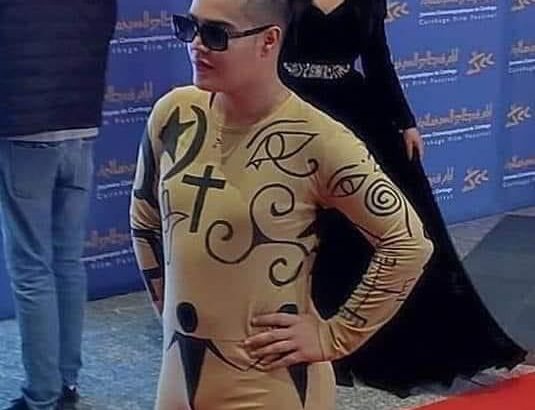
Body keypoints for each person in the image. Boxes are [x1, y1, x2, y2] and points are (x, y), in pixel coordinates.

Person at [130, 0, 434, 408]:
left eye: (216, 34)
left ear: (269, 41)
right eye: (189, 27)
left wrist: (334, 336)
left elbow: (409, 243)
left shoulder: (318, 139)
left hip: (271, 384)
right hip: (178, 376)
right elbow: (145, 217)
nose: (196, 45)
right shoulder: (173, 114)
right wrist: (168, 309)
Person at [279, 0, 527, 396]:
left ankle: (375, 335)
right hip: (291, 108)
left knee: (395, 218)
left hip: (354, 111)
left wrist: (405, 121)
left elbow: (378, 59)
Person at [0, 1, 117, 409]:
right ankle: (65, 384)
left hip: (24, 127)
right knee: (67, 261)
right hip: (80, 123)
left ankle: (41, 395)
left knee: (32, 268)